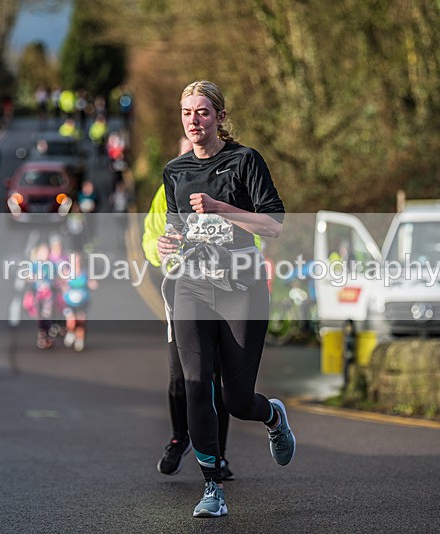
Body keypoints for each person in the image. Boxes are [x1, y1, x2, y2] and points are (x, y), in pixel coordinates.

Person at [158, 80, 294, 518]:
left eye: (201, 112)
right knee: (197, 385)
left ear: (218, 116)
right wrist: (168, 244)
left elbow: (274, 225)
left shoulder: (244, 160)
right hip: (192, 286)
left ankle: (271, 416)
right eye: (186, 113)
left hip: (241, 287)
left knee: (236, 400)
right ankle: (212, 487)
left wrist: (222, 208)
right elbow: (178, 230)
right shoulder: (175, 171)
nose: (193, 121)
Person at [143, 136, 235, 482]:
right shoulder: (167, 187)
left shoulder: (225, 186)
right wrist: (163, 251)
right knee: (182, 375)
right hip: (182, 290)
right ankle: (180, 437)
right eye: (184, 152)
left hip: (224, 293)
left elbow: (249, 235)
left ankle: (219, 456)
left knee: (216, 379)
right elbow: (150, 238)